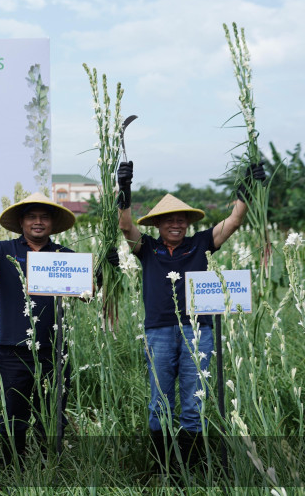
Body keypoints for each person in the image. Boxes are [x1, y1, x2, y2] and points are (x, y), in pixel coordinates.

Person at [117, 160, 264, 467]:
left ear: (188, 224)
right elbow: (125, 226)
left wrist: (246, 191)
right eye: (169, 220)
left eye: (181, 220)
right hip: (158, 332)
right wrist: (125, 190)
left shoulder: (201, 244)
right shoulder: (146, 248)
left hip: (199, 331)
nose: (176, 224)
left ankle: (192, 467)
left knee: (194, 402)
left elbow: (235, 221)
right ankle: (164, 467)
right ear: (157, 224)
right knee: (160, 402)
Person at [0, 192, 75, 464]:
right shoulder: (4, 250)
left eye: (44, 217)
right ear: (22, 222)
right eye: (32, 217)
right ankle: (11, 466)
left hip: (55, 350)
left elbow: (87, 292)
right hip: (13, 350)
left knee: (51, 416)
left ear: (52, 223)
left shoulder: (64, 254)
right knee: (13, 415)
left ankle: (49, 465)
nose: (38, 222)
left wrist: (101, 273)